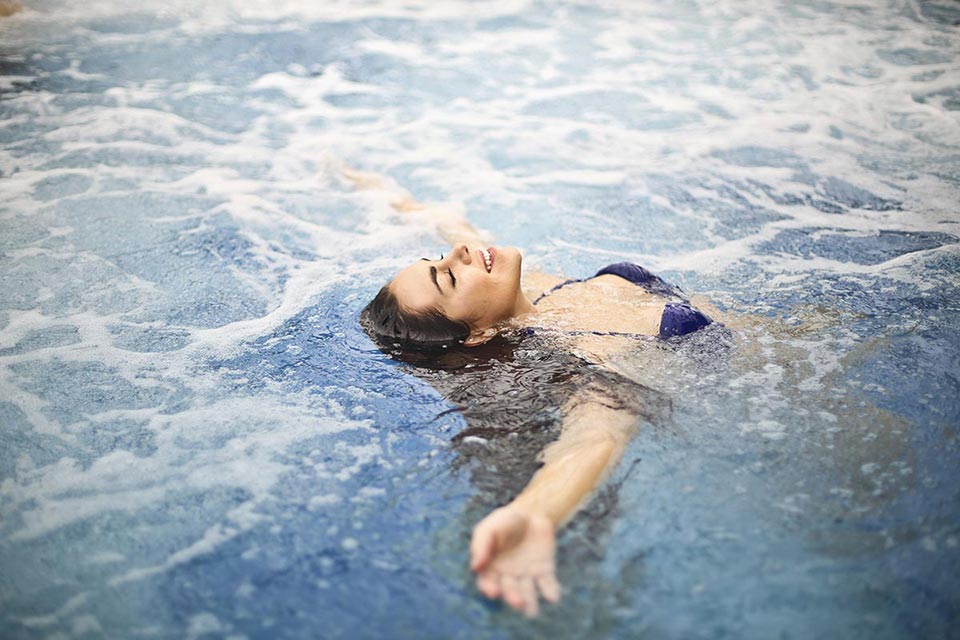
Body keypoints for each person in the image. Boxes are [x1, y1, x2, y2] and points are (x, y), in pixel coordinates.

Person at [351, 166, 718, 617]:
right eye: (447, 277)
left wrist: (378, 188)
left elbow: (451, 224)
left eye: (437, 258)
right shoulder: (595, 354)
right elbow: (596, 436)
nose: (458, 253)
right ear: (476, 337)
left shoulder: (538, 290)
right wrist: (536, 512)